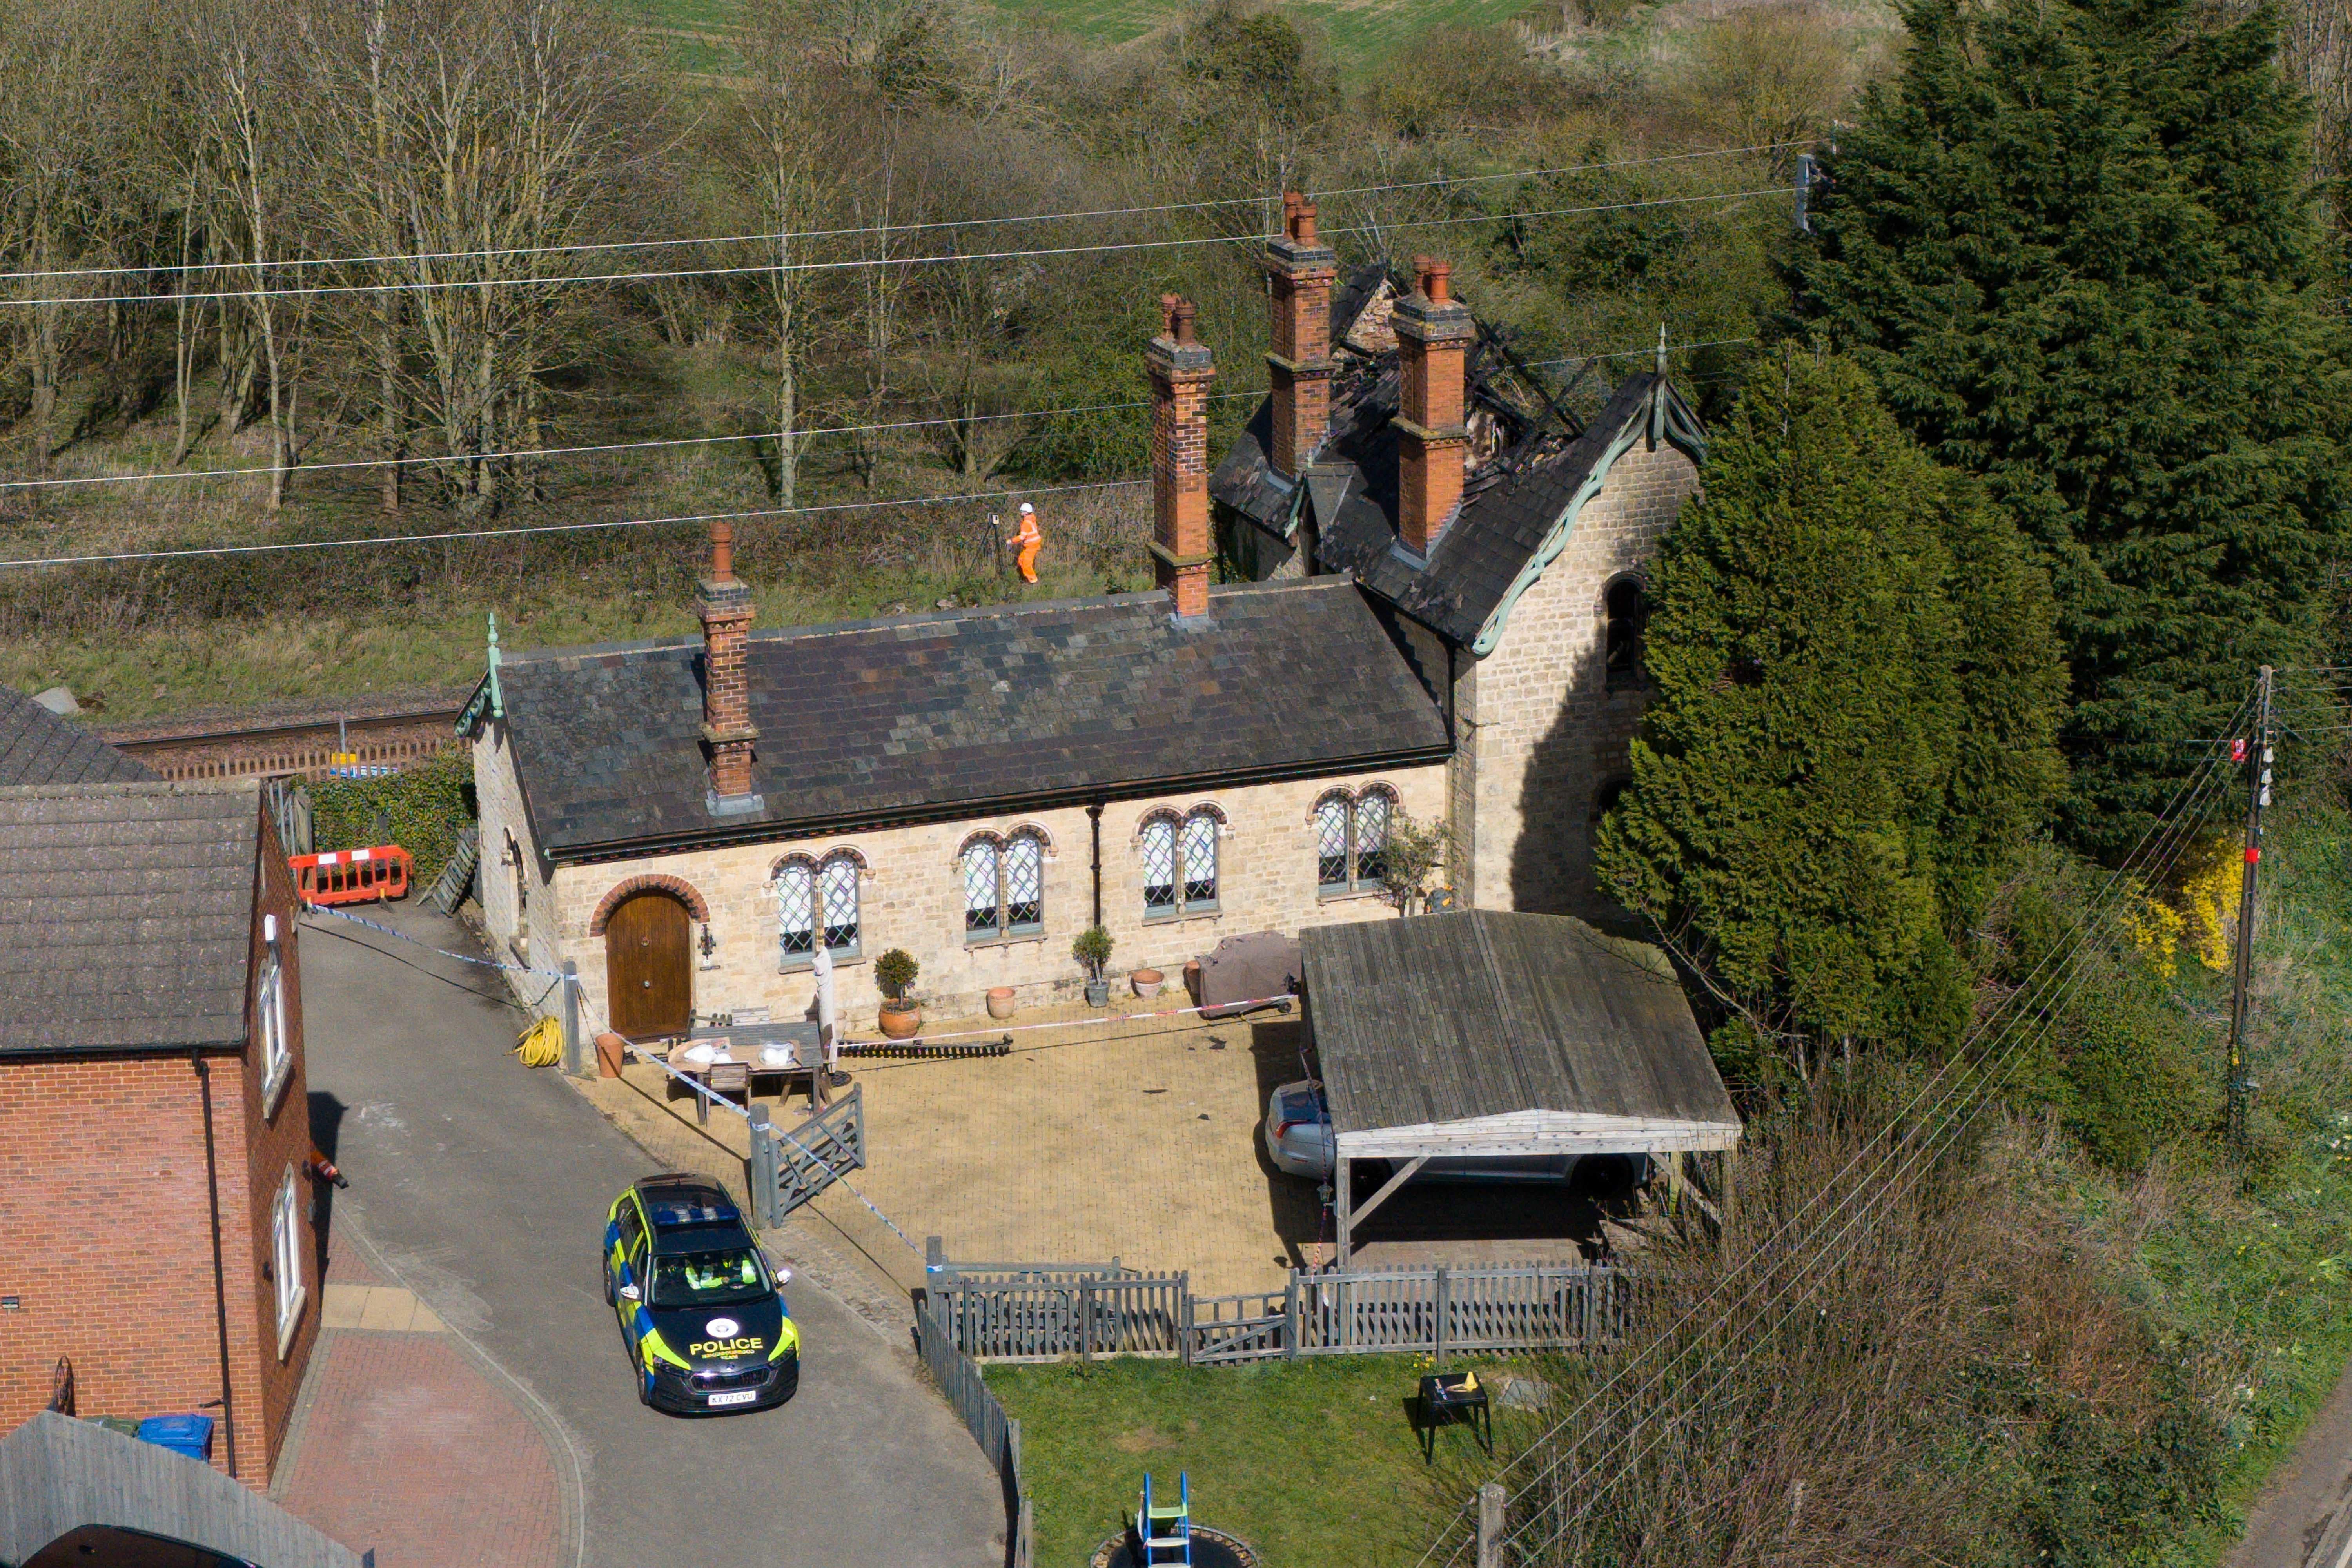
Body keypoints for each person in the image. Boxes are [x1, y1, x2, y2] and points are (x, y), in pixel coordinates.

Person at [1004, 502, 1042, 583]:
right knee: (1021, 561)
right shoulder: (1032, 520)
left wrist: (1011, 541)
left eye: (1022, 511)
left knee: (1026, 565)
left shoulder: (1027, 523)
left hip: (1031, 546)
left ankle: (1033, 582)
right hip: (1032, 545)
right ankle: (1025, 579)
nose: (1020, 513)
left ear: (1025, 512)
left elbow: (1022, 537)